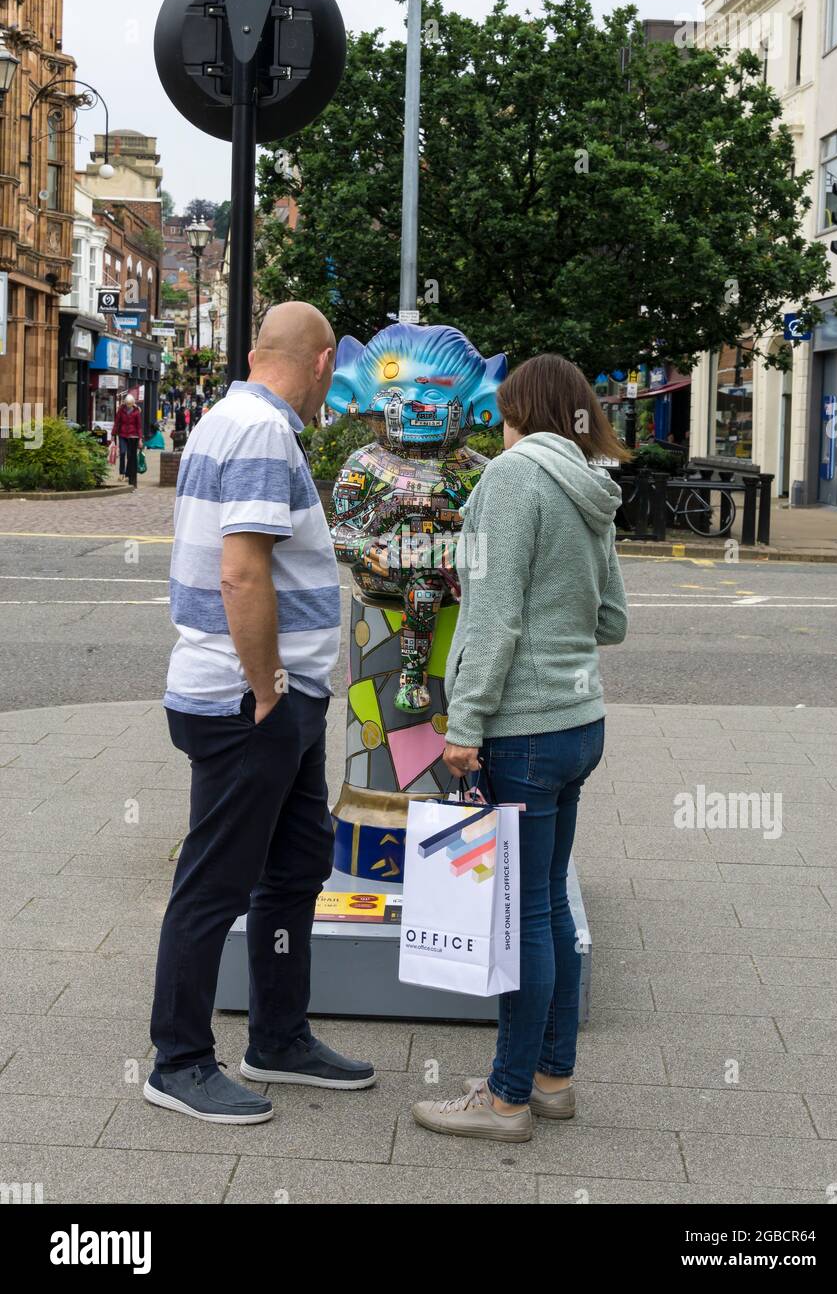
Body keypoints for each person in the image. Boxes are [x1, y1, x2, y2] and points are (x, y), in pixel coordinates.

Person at [147, 302, 375, 1125]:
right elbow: (241, 574)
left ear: (254, 353)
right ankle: (177, 1060)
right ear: (320, 365)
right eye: (333, 377)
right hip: (250, 699)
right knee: (216, 883)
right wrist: (269, 686)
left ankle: (277, 1036)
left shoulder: (233, 418)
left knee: (293, 869)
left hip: (275, 698)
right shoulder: (262, 433)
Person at [412, 353, 630, 1143]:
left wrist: (464, 724)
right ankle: (552, 1079)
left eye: (503, 411)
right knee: (551, 906)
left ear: (520, 413)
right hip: (580, 722)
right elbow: (612, 619)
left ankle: (505, 1100)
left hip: (523, 729)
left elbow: (496, 617)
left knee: (523, 918)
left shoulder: (511, 480)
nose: (498, 425)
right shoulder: (591, 486)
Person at [112, 394, 143, 489]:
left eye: (130, 404)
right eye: (127, 403)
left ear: (133, 403)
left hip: (133, 436)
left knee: (130, 455)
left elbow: (139, 426)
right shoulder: (121, 410)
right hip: (122, 434)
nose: (128, 405)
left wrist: (140, 439)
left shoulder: (136, 412)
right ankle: (121, 473)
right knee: (122, 452)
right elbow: (117, 422)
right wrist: (113, 435)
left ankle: (128, 473)